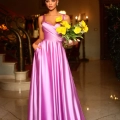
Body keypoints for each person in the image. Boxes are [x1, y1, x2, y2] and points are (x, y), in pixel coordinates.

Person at [28, 0, 85, 120]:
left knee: (61, 83)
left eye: (53, 0)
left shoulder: (65, 17)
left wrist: (73, 39)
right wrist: (34, 44)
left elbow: (67, 40)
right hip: (44, 54)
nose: (50, 3)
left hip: (58, 54)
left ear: (57, 1)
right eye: (47, 1)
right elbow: (41, 38)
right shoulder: (41, 18)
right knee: (46, 85)